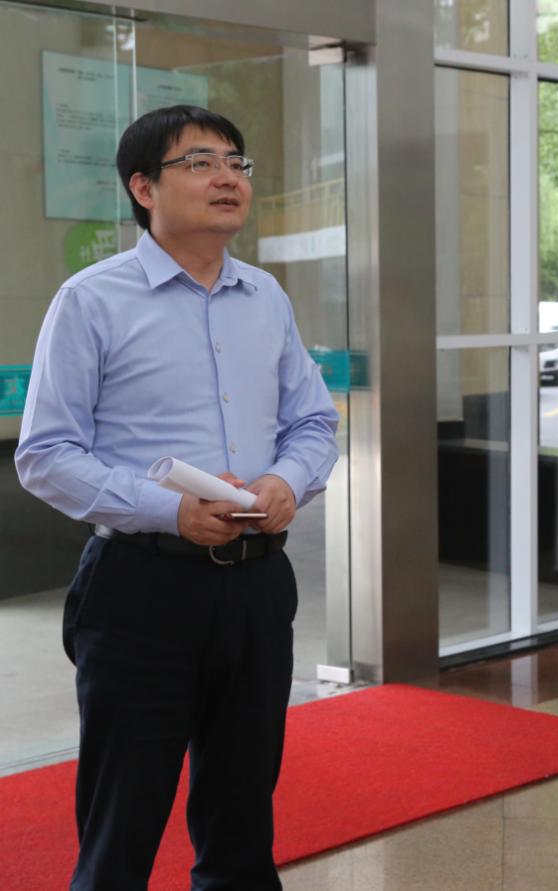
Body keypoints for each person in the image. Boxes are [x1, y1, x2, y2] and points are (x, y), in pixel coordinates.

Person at [16, 105, 339, 891]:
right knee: (122, 820)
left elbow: (313, 421)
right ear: (143, 188)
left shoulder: (265, 297)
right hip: (141, 585)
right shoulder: (91, 300)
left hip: (258, 584)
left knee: (242, 815)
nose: (227, 177)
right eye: (199, 162)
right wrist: (170, 509)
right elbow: (46, 454)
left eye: (236, 162)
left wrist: (285, 480)